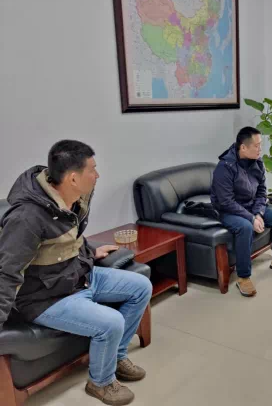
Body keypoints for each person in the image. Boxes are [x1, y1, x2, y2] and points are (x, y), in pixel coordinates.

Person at [0, 140, 152, 405]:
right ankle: (100, 383)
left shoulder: (76, 198)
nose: (98, 175)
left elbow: (70, 236)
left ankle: (115, 357)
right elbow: (7, 272)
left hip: (78, 276)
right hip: (45, 298)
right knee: (112, 322)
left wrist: (90, 251)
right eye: (92, 169)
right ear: (73, 178)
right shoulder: (26, 218)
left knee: (141, 287)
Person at [211, 127, 272, 297]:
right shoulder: (224, 167)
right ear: (243, 147)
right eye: (256, 145)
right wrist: (251, 218)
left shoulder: (257, 163)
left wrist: (259, 213)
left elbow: (262, 192)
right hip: (228, 211)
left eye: (260, 145)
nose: (260, 149)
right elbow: (226, 202)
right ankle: (243, 277)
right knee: (245, 227)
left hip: (250, 206)